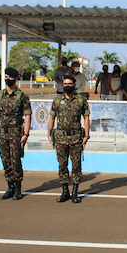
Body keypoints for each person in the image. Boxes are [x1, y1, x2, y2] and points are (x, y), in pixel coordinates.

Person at [48, 75, 90, 204]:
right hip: (60, 138)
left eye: (70, 84)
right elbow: (52, 117)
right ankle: (65, 191)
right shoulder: (57, 100)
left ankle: (75, 192)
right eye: (65, 84)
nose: (67, 86)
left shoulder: (81, 100)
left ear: (74, 84)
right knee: (62, 165)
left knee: (76, 166)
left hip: (76, 138)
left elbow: (86, 118)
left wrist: (86, 136)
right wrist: (49, 134)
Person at [0, 68, 32, 200]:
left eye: (10, 77)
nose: (7, 79)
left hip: (15, 134)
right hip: (2, 133)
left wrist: (25, 134)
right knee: (5, 161)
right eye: (6, 76)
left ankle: (18, 188)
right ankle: (10, 187)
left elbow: (27, 115)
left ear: (15, 78)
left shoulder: (22, 96)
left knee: (15, 161)